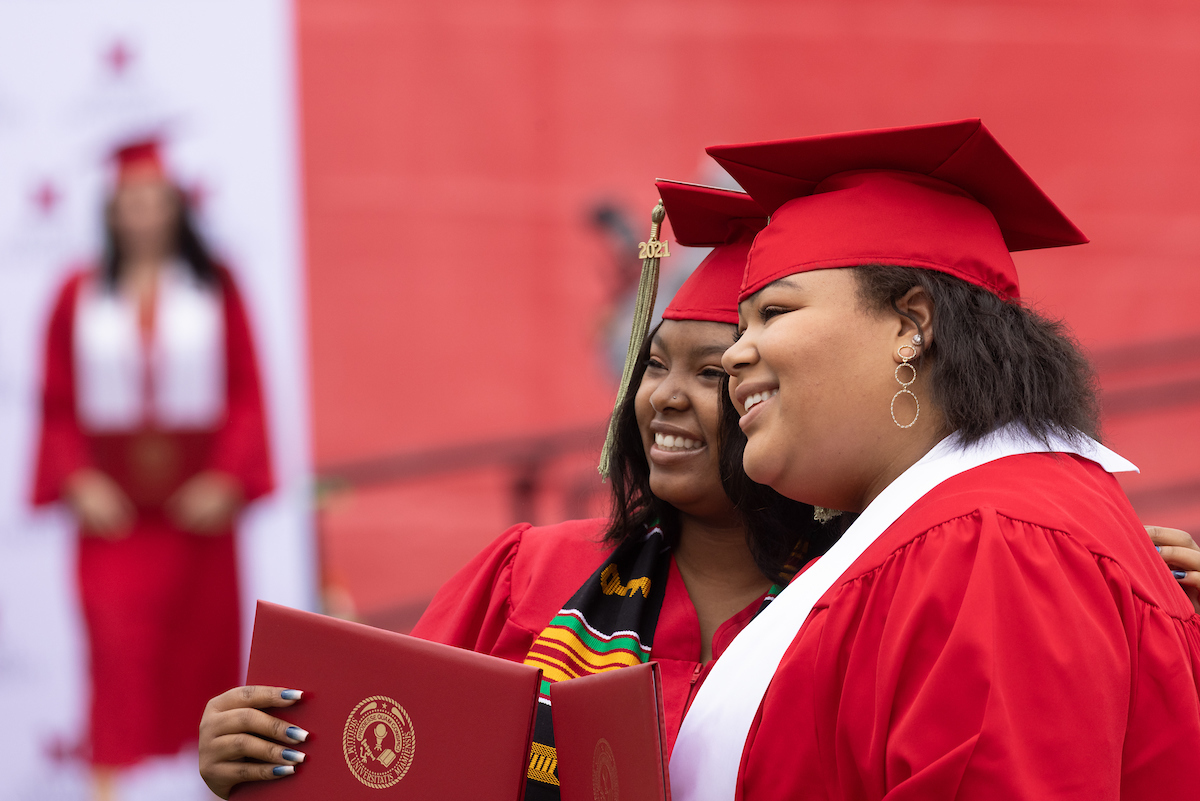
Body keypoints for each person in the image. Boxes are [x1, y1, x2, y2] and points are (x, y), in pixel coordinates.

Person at [198, 180, 835, 799]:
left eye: (709, 373)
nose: (664, 396)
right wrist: (260, 758)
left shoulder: (844, 602)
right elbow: (387, 765)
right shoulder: (532, 574)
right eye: (656, 365)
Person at [667, 119, 1200, 801]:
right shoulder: (971, 527)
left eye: (774, 312)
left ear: (911, 323)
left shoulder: (995, 541)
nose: (736, 354)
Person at [32, 139, 272, 797]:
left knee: (206, 662)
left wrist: (227, 477)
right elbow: (55, 402)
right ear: (111, 210)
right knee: (116, 663)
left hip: (198, 521)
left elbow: (246, 392)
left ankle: (223, 787)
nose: (142, 213)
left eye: (153, 198)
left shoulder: (214, 288)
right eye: (128, 200)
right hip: (116, 525)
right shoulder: (76, 295)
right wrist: (77, 478)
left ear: (175, 205)